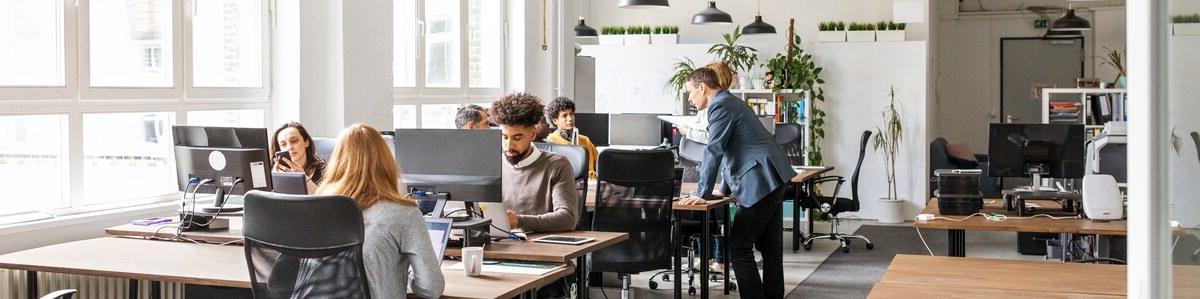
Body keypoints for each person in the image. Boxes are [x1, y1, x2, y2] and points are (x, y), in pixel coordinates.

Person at [679, 67, 797, 299]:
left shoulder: (719, 106)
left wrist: (703, 193)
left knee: (739, 247)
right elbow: (736, 148)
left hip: (761, 178)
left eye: (691, 92)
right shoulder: (729, 102)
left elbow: (715, 150)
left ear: (702, 87)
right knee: (770, 247)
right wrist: (721, 190)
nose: (691, 99)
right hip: (772, 176)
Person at [315, 123, 444, 299]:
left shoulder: (317, 207)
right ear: (386, 161)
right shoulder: (403, 213)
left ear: (337, 161)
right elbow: (431, 288)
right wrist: (402, 274)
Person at [489, 92, 579, 233]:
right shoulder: (494, 163)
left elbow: (568, 218)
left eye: (517, 138)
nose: (508, 146)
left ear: (532, 134)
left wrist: (519, 221)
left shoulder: (557, 166)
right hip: (499, 243)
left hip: (541, 249)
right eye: (504, 137)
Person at [543, 97, 600, 178]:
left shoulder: (585, 140)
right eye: (564, 116)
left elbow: (601, 164)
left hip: (591, 183)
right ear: (555, 120)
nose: (570, 119)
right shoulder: (551, 142)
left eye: (571, 114)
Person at [270, 122, 327, 194]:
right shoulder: (273, 171)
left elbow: (327, 202)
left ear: (306, 142)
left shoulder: (325, 171)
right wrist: (276, 181)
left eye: (294, 141)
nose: (289, 147)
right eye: (283, 144)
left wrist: (304, 179)